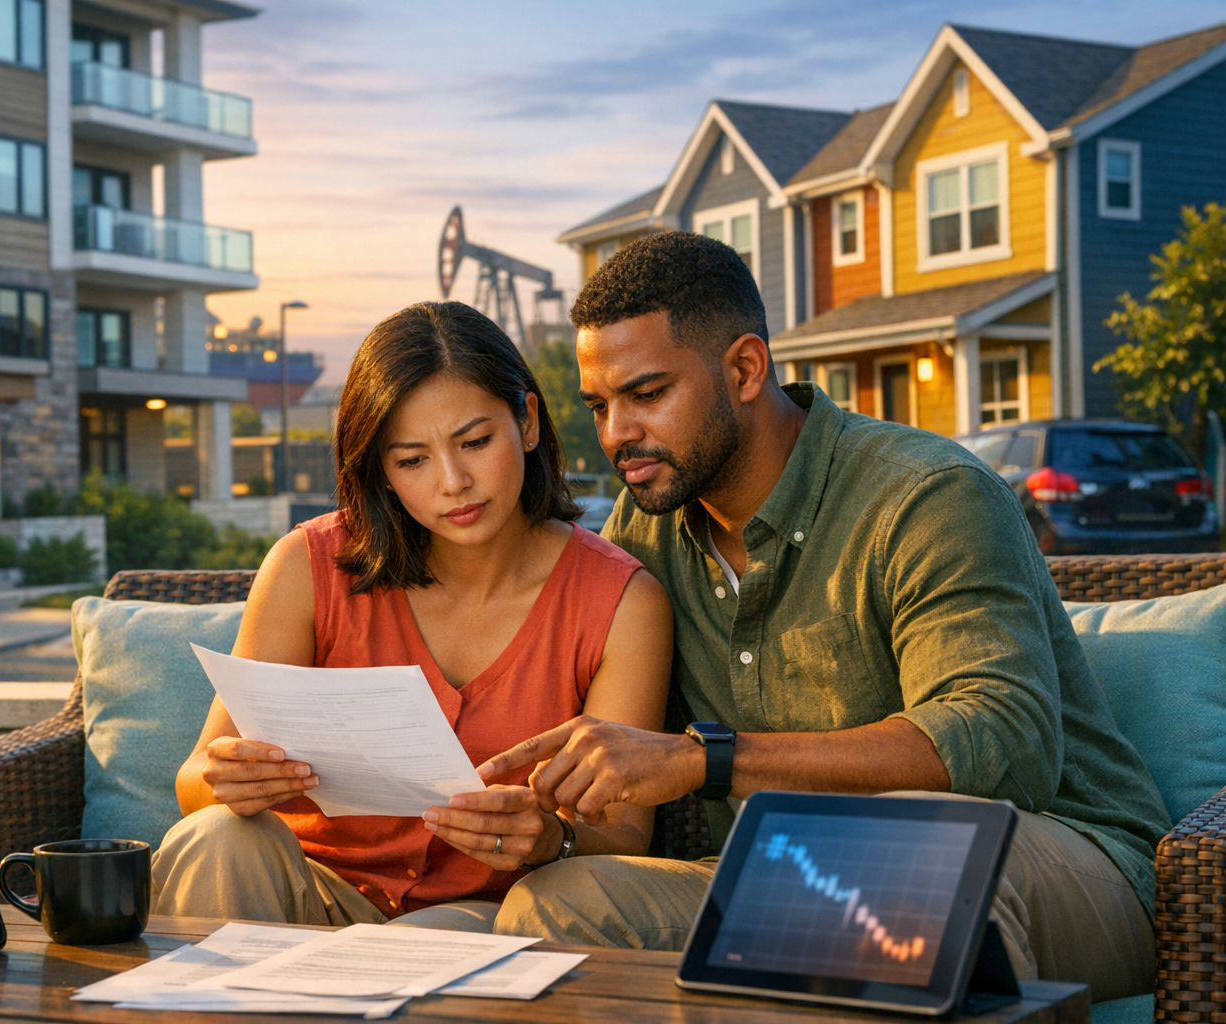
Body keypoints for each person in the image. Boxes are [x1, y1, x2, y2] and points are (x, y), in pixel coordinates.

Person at [482, 231, 1170, 1001]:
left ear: (745, 369)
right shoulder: (645, 532)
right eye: (600, 406)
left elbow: (1002, 744)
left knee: (900, 854)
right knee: (559, 904)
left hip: (1063, 860)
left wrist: (702, 758)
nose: (617, 435)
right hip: (783, 875)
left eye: (647, 395)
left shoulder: (927, 495)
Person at [153, 300, 672, 932]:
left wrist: (549, 839)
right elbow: (196, 782)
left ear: (528, 421)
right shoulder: (305, 567)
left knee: (436, 937)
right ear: (381, 470)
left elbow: (620, 835)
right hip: (301, 895)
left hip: (476, 916)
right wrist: (228, 781)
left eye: (475, 442)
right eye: (412, 460)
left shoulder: (621, 602)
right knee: (216, 838)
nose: (453, 481)